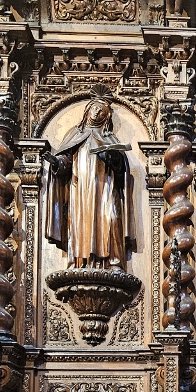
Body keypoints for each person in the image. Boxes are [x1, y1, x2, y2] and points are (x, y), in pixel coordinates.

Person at [45, 94, 133, 269]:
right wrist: (56, 162)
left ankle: (113, 261)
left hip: (105, 186)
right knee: (79, 222)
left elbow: (120, 169)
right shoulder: (74, 135)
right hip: (80, 188)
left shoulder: (109, 138)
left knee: (112, 218)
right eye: (95, 108)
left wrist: (113, 156)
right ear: (87, 110)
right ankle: (79, 262)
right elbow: (66, 162)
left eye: (102, 111)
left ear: (106, 118)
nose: (97, 112)